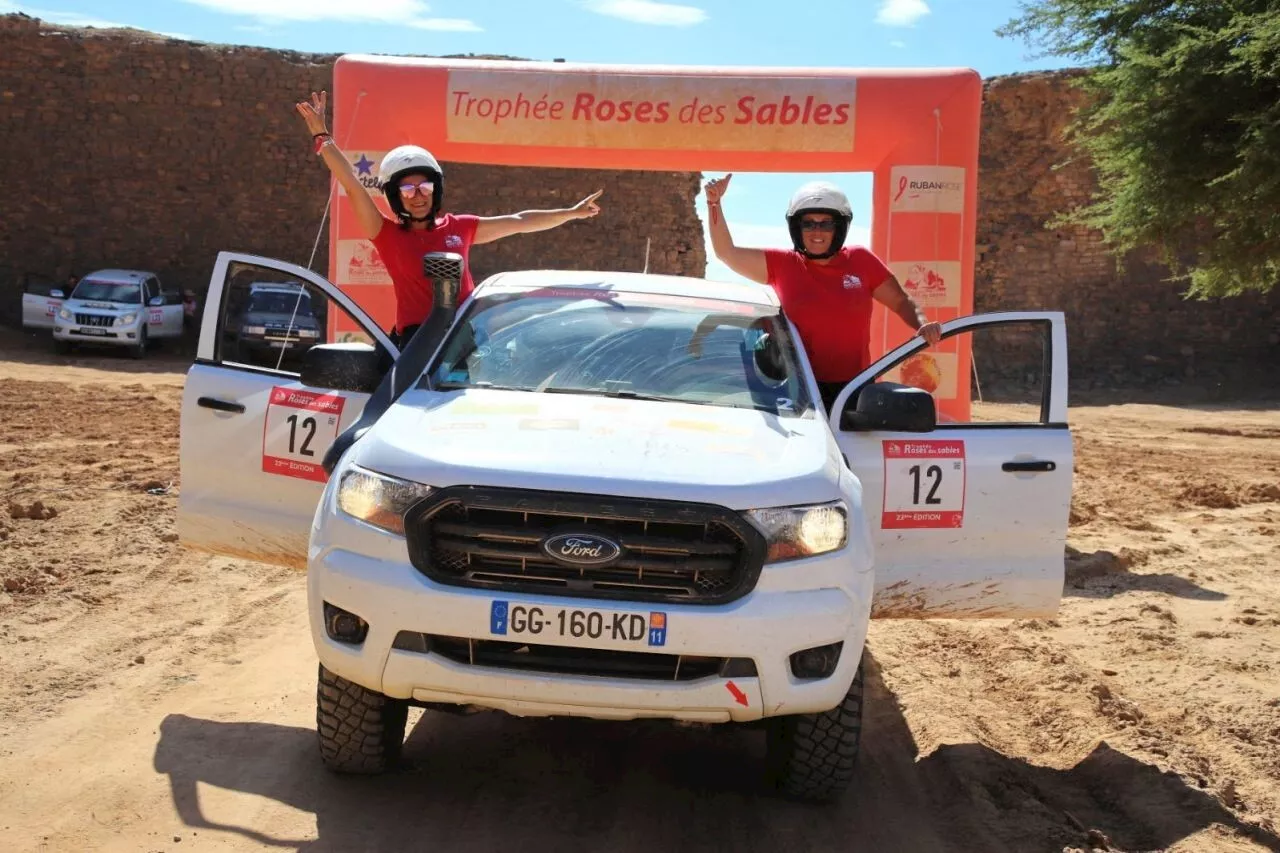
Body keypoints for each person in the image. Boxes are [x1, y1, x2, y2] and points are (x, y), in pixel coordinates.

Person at [295, 91, 604, 345]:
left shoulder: (461, 227)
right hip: (415, 344)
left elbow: (522, 221)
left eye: (425, 186)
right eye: (408, 189)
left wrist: (572, 212)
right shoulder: (385, 233)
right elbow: (351, 182)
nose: (418, 195)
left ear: (437, 189)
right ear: (394, 195)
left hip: (463, 341)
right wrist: (322, 136)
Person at [703, 174, 943, 413]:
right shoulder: (783, 264)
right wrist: (714, 204)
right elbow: (727, 253)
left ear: (839, 227)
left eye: (825, 223)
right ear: (797, 227)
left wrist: (922, 324)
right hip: (800, 390)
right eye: (809, 223)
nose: (816, 231)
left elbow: (901, 301)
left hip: (855, 390)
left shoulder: (861, 260)